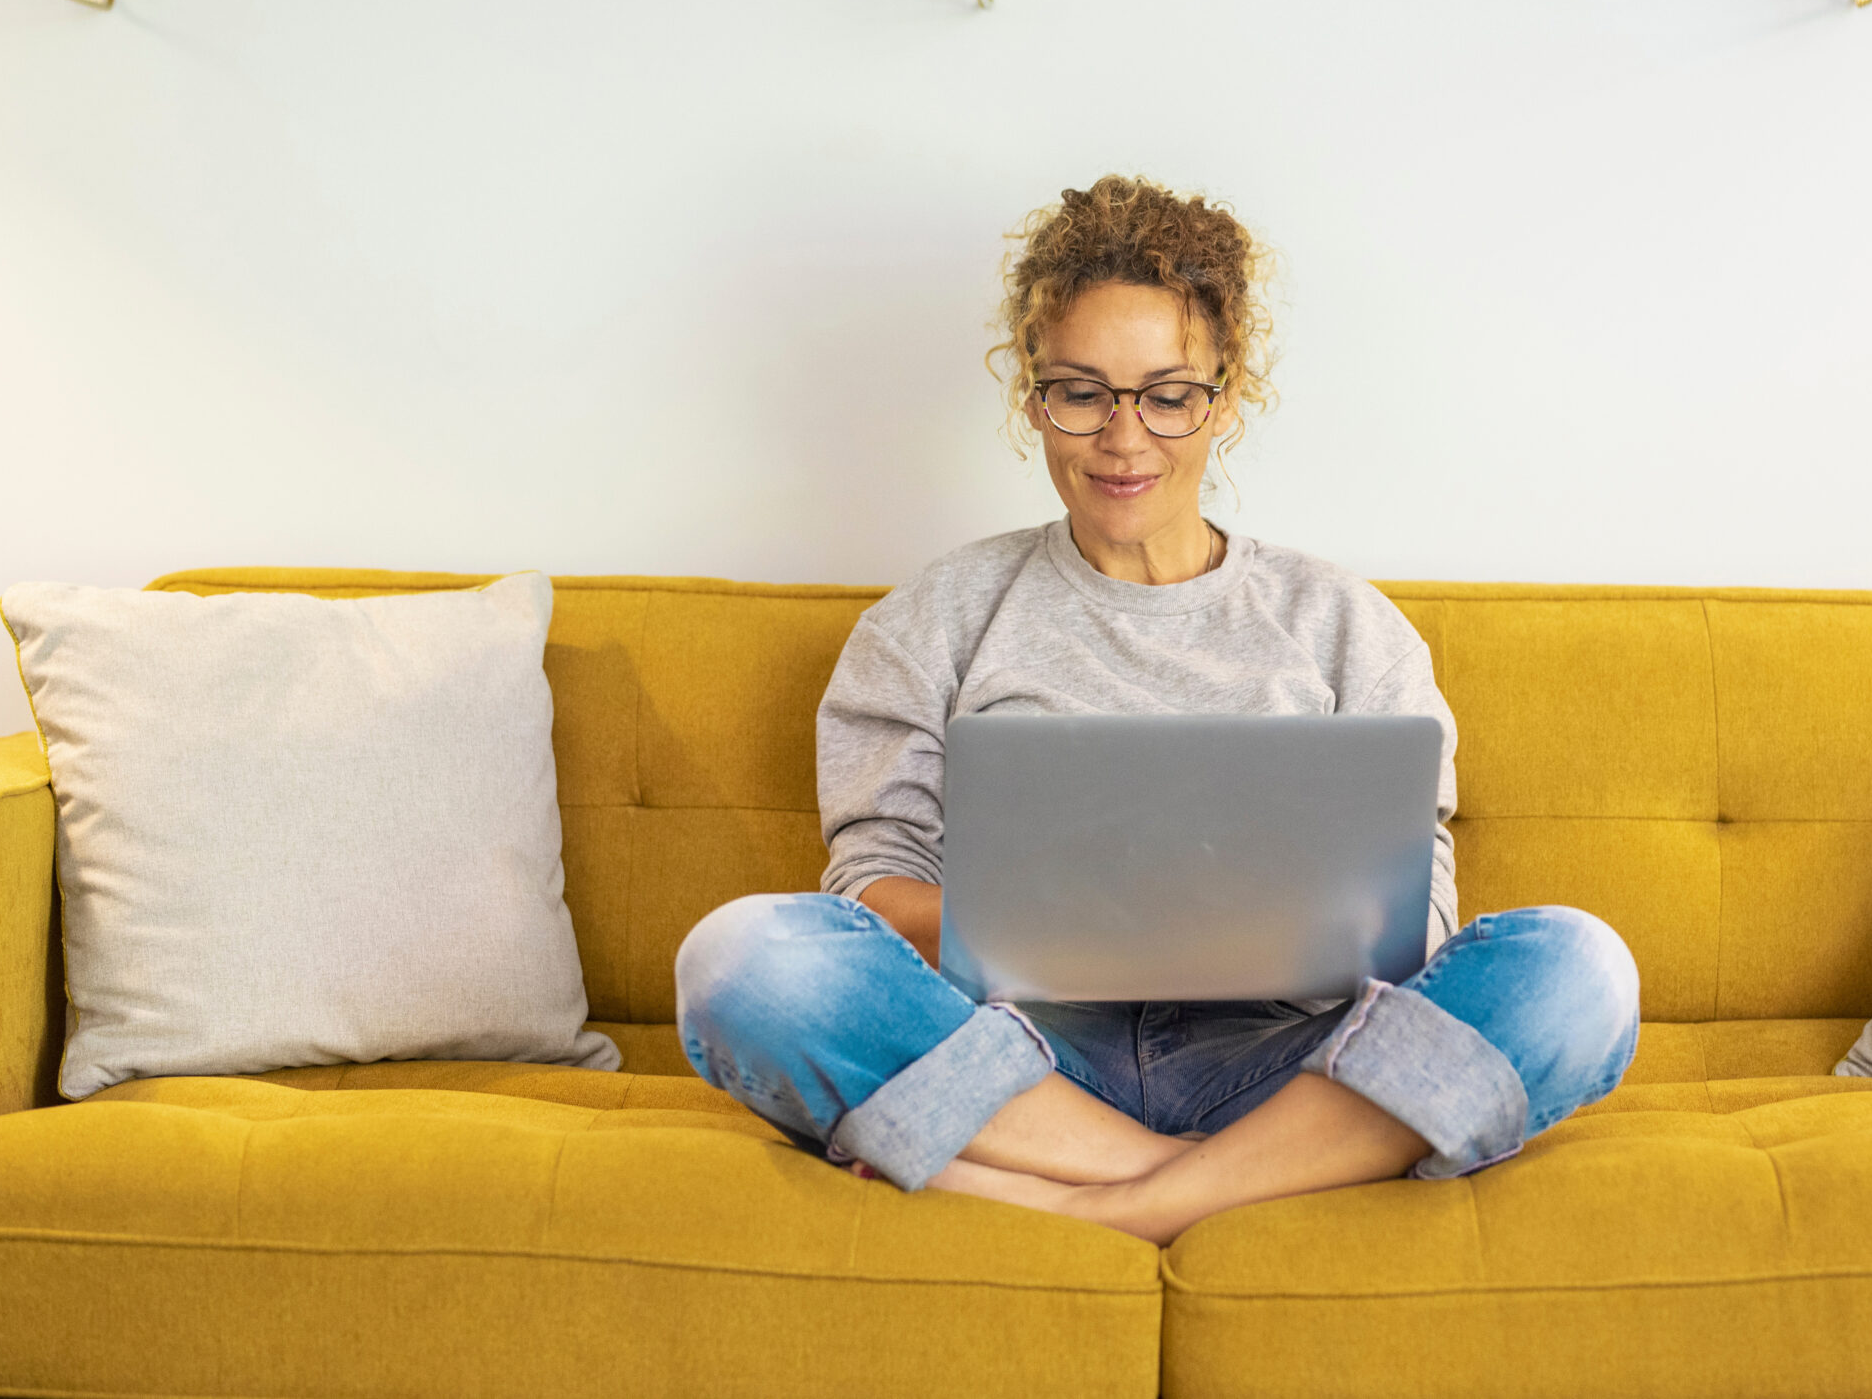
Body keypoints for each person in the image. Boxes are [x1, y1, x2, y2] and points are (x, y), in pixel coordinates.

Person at [675, 175, 1639, 1245]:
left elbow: (1425, 930)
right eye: (1079, 392)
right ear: (1030, 394)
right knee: (740, 955)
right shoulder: (936, 617)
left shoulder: (1342, 624)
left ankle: (1105, 1200)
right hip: (1022, 1063)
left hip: (1291, 1066)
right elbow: (869, 891)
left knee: (1579, 967)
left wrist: (1271, 927)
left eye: (1167, 393)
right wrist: (1063, 925)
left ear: (1225, 397)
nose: (1121, 437)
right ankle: (1224, 1182)